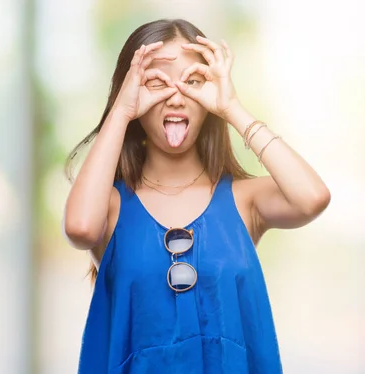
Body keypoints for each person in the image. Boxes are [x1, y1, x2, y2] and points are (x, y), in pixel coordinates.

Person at [62, 19, 330, 374]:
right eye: (156, 82)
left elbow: (312, 198)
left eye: (192, 82)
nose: (175, 96)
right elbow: (80, 228)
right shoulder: (110, 206)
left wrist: (232, 107)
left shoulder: (244, 199)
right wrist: (121, 112)